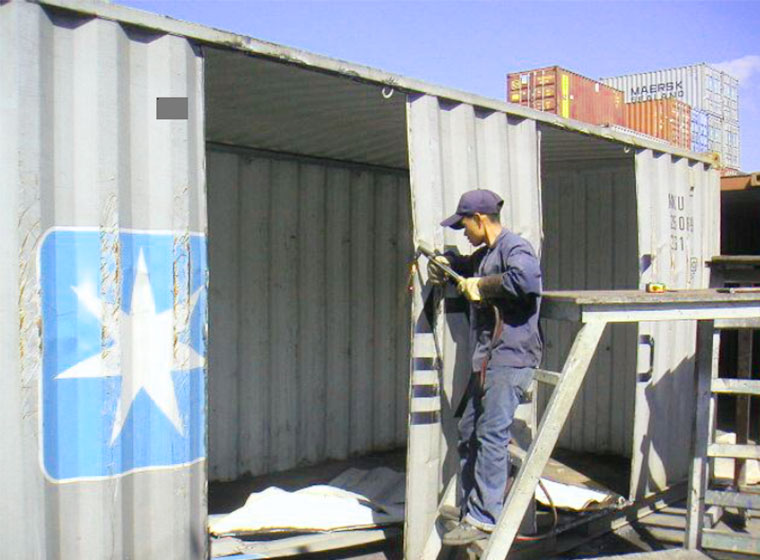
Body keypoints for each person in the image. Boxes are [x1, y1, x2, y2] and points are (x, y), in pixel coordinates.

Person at [428, 188, 542, 546]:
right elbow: (464, 266)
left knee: (492, 436)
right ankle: (470, 508)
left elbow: (525, 280)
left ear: (480, 219)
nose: (463, 233)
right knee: (468, 432)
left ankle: (484, 518)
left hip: (511, 357)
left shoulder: (515, 248)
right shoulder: (486, 254)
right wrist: (444, 261)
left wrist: (484, 285)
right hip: (488, 359)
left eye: (464, 225)